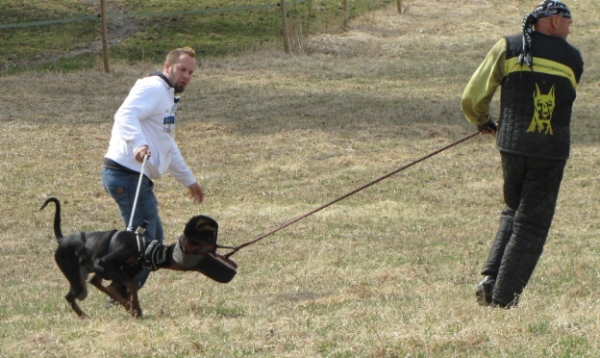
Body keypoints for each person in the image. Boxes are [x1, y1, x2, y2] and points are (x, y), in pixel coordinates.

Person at [461, 0, 583, 308]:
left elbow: (472, 97)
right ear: (554, 21)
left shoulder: (509, 46)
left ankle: (490, 281)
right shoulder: (572, 59)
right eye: (568, 22)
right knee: (532, 225)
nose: (570, 28)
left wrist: (483, 122)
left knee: (514, 210)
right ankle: (503, 301)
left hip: (511, 145)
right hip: (550, 151)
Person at [102, 46, 204, 293]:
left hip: (134, 176)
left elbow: (166, 143)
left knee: (148, 237)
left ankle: (121, 288)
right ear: (167, 67)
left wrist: (189, 181)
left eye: (190, 72)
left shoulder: (167, 95)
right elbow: (125, 115)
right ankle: (121, 291)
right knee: (145, 240)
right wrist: (138, 144)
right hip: (126, 174)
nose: (186, 76)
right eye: (182, 69)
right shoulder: (154, 88)